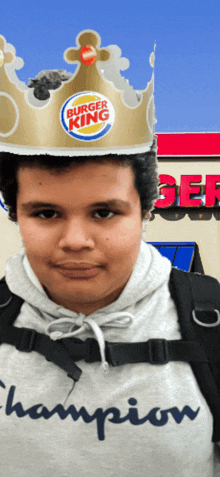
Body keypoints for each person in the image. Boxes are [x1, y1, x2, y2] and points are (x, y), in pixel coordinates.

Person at [0, 30, 219, 477]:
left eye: (104, 212)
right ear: (16, 214)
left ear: (144, 210)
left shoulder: (210, 321)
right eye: (45, 213)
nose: (76, 240)